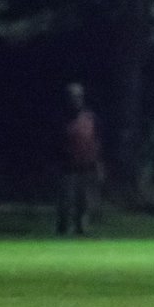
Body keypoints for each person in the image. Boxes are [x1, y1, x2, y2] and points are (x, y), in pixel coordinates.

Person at [56, 82, 102, 235]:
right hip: (67, 167)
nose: (76, 99)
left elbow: (96, 140)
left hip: (87, 166)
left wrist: (98, 163)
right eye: (72, 96)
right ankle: (64, 229)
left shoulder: (90, 117)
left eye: (79, 96)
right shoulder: (62, 119)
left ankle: (81, 228)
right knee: (66, 201)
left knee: (84, 201)